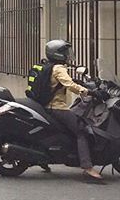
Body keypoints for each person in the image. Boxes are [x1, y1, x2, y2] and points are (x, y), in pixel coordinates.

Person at [44, 39, 103, 182]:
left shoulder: (49, 66)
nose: (68, 55)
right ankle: (87, 167)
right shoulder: (59, 68)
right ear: (57, 54)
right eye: (65, 52)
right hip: (57, 107)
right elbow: (68, 84)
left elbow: (66, 81)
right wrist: (89, 92)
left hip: (48, 106)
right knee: (82, 130)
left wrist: (80, 83)